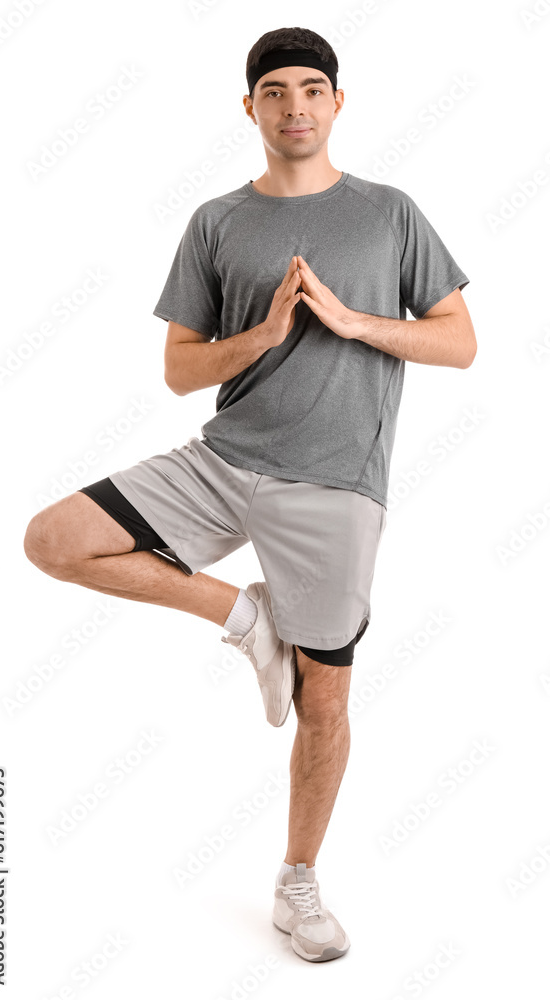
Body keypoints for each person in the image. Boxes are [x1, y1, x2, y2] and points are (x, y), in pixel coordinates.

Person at [23, 26, 476, 963]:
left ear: (338, 103)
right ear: (250, 108)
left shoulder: (390, 212)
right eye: (276, 91)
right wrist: (263, 337)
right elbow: (180, 370)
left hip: (335, 484)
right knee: (54, 538)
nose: (296, 106)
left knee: (326, 697)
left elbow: (458, 341)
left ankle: (297, 884)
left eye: (313, 88)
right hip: (225, 459)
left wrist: (352, 321)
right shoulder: (217, 221)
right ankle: (244, 618)